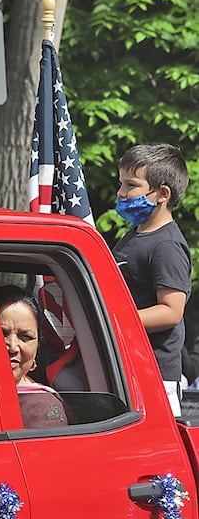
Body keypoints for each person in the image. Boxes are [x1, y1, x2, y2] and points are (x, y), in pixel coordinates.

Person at [112, 143, 191, 417]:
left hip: (155, 372)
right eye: (121, 184)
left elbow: (171, 311)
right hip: (128, 365)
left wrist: (112, 320)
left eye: (131, 185)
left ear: (162, 194)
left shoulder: (167, 245)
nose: (121, 193)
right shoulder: (135, 235)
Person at [0, 287, 69, 429]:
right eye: (0, 333)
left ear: (38, 345)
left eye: (25, 337)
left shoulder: (41, 406)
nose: (13, 347)